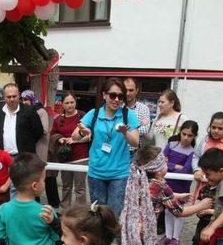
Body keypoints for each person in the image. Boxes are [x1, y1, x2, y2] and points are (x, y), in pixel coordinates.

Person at [113, 146, 208, 245]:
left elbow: (152, 194)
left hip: (126, 227)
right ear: (157, 169)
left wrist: (176, 196)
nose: (167, 164)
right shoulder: (162, 186)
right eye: (165, 162)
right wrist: (202, 205)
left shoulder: (135, 178)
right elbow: (179, 211)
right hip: (143, 233)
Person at [73, 77, 140, 217]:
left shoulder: (128, 115)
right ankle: (99, 239)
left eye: (120, 96)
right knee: (98, 214)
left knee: (113, 215)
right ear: (104, 95)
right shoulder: (94, 113)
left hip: (119, 173)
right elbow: (74, 136)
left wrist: (125, 132)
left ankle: (113, 239)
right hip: (96, 172)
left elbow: (135, 142)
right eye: (112, 95)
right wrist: (82, 131)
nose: (116, 100)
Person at [162, 120, 198, 245]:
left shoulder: (193, 152)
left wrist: (169, 164)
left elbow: (186, 169)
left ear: (194, 136)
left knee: (178, 210)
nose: (186, 138)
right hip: (168, 182)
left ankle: (175, 238)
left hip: (182, 184)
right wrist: (174, 165)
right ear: (180, 132)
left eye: (190, 136)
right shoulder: (171, 144)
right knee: (167, 209)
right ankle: (167, 235)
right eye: (184, 134)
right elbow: (161, 161)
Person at [21, 89, 60, 208]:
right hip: (31, 146)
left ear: (32, 99)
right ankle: (35, 200)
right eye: (22, 100)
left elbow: (44, 129)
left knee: (45, 175)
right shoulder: (27, 111)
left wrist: (29, 130)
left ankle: (53, 202)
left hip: (41, 146)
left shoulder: (40, 111)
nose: (24, 102)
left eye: (26, 99)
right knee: (34, 174)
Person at [51, 92, 88, 213]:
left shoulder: (83, 116)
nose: (70, 105)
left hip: (80, 156)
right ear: (62, 104)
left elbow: (90, 136)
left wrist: (75, 140)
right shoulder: (59, 119)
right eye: (67, 103)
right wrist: (60, 139)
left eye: (72, 102)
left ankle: (80, 212)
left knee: (80, 187)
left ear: (75, 102)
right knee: (66, 186)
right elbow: (53, 134)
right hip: (65, 157)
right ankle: (64, 210)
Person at [0, 83, 44, 159]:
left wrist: (27, 144)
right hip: (3, 158)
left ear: (19, 95)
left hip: (25, 158)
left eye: (14, 96)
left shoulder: (29, 110)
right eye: (8, 97)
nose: (12, 99)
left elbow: (39, 131)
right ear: (3, 97)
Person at [124, 78, 151, 147]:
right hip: (118, 152)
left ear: (137, 90)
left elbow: (145, 130)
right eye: (125, 90)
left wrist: (123, 130)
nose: (127, 93)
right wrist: (138, 125)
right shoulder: (117, 107)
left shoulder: (144, 108)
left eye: (131, 90)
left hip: (135, 152)